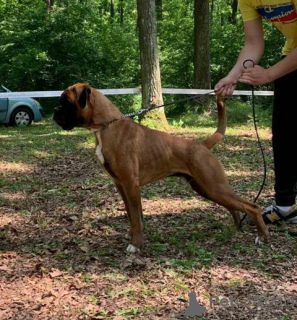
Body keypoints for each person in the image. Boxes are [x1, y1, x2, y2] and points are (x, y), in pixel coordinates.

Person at [214, 0, 297, 224]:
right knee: (284, 134)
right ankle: (285, 206)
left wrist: (269, 74)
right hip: (292, 57)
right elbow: (253, 42)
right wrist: (232, 76)